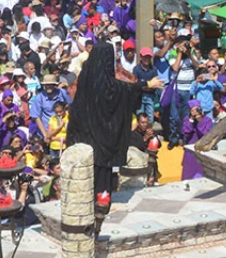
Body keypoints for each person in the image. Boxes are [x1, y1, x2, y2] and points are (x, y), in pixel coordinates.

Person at [66, 43, 163, 201]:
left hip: (84, 134)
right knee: (102, 177)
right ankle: (102, 201)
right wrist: (147, 84)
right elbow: (123, 89)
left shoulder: (85, 75)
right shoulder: (105, 82)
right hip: (102, 137)